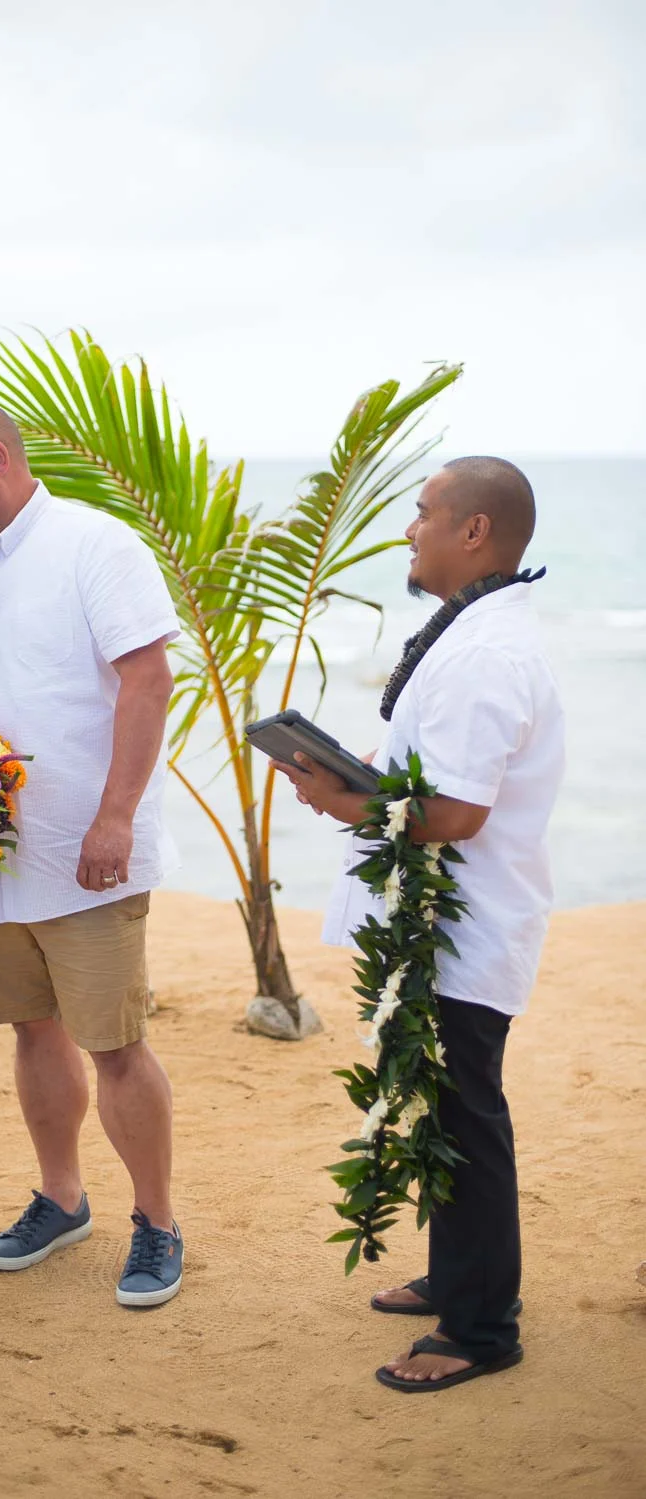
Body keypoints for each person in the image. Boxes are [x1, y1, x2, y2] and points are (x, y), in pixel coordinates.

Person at [273, 456, 564, 1392]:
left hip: (466, 923)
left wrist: (340, 803)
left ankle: (481, 1328)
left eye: (423, 511)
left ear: (473, 531)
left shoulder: (483, 653)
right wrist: (360, 773)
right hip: (442, 918)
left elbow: (457, 812)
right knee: (446, 1103)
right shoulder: (473, 633)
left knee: (467, 1113)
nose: (409, 527)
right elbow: (433, 775)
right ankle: (456, 1275)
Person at [0, 396, 184, 1308]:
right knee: (30, 1028)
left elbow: (148, 680)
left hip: (83, 850)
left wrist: (116, 817)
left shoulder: (94, 544)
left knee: (117, 1043)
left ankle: (158, 1222)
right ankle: (62, 1198)